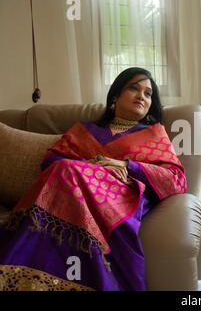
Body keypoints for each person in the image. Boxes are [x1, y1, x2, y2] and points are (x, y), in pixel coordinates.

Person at [0, 67, 187, 291]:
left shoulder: (154, 134)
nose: (141, 96)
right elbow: (51, 163)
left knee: (67, 169)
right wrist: (92, 166)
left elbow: (175, 179)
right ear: (116, 96)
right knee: (64, 169)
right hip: (72, 190)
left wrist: (127, 165)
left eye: (148, 94)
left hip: (119, 197)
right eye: (134, 88)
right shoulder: (84, 131)